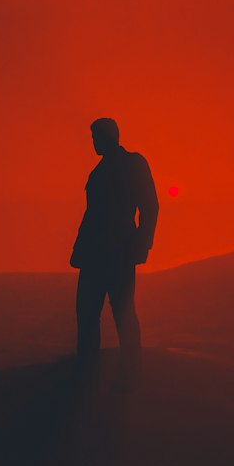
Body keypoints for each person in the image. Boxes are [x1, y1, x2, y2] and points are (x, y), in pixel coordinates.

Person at [70, 117, 158, 369]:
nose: (93, 142)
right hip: (94, 255)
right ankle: (88, 372)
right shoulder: (97, 173)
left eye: (96, 137)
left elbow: (150, 206)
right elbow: (92, 214)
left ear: (108, 137)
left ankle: (130, 371)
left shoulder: (132, 164)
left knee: (122, 312)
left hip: (119, 252)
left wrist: (141, 245)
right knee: (87, 314)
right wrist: (79, 249)